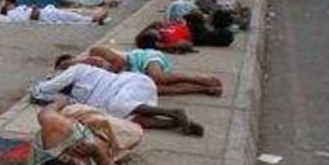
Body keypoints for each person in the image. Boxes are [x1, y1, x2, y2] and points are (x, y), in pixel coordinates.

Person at [31, 61, 204, 135]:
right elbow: (49, 96)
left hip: (130, 84)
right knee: (126, 120)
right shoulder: (68, 95)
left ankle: (174, 113)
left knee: (117, 106)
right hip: (129, 97)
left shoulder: (77, 69)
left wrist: (42, 87)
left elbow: (43, 90)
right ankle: (174, 124)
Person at [26, 98, 139, 165]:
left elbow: (45, 113)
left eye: (75, 160)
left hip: (81, 118)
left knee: (112, 116)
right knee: (135, 133)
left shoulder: (57, 129)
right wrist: (97, 154)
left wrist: (61, 101)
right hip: (108, 140)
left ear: (64, 155)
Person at [62, 46, 223, 96]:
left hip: (144, 59)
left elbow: (119, 61)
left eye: (68, 65)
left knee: (158, 77)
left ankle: (202, 79)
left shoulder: (96, 51)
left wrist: (108, 76)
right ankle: (203, 89)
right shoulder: (85, 73)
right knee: (157, 90)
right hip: (135, 75)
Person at [0, 0, 108, 25]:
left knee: (68, 13)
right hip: (42, 15)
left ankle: (91, 17)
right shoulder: (13, 14)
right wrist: (34, 9)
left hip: (44, 11)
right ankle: (92, 19)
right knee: (67, 16)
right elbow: (31, 17)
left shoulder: (18, 8)